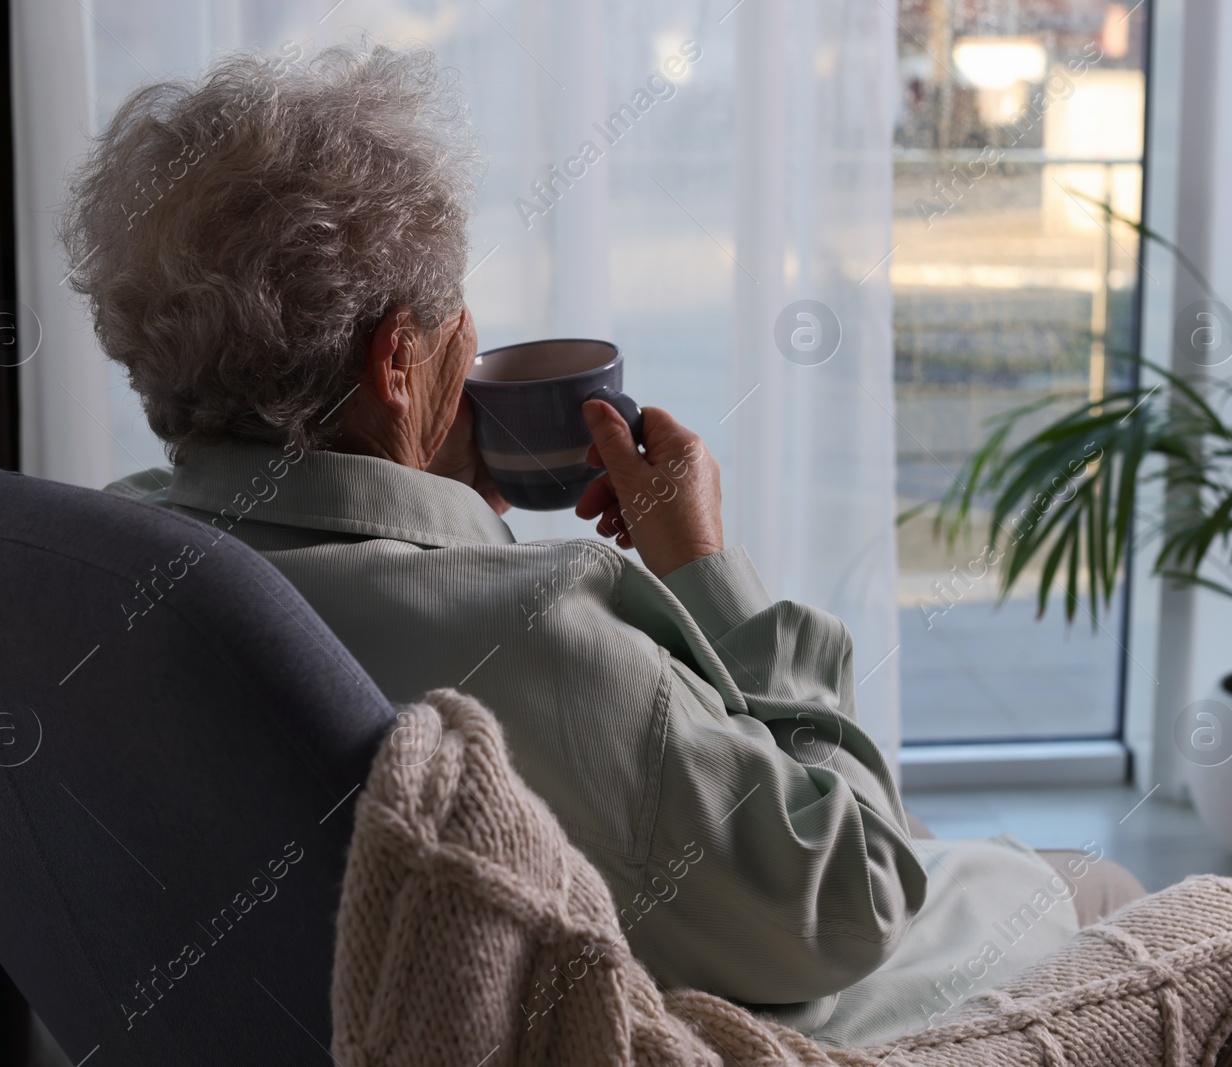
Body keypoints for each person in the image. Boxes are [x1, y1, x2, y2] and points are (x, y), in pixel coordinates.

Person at [68, 43, 1143, 1046]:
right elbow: (853, 895)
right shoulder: (536, 638)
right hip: (740, 1012)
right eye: (453, 322)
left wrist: (422, 487)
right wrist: (704, 571)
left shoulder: (107, 563)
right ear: (398, 359)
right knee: (1097, 889)